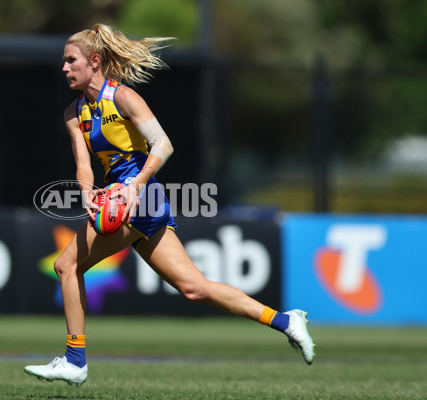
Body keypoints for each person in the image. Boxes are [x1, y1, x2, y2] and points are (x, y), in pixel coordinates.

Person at [24, 24, 315, 387]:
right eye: (63, 62)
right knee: (194, 288)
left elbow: (163, 144)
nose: (64, 68)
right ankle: (286, 321)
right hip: (124, 198)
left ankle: (75, 359)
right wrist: (87, 194)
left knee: (66, 265)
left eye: (71, 60)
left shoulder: (124, 97)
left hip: (140, 197)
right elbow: (84, 165)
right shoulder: (74, 112)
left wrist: (133, 187)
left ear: (94, 61)